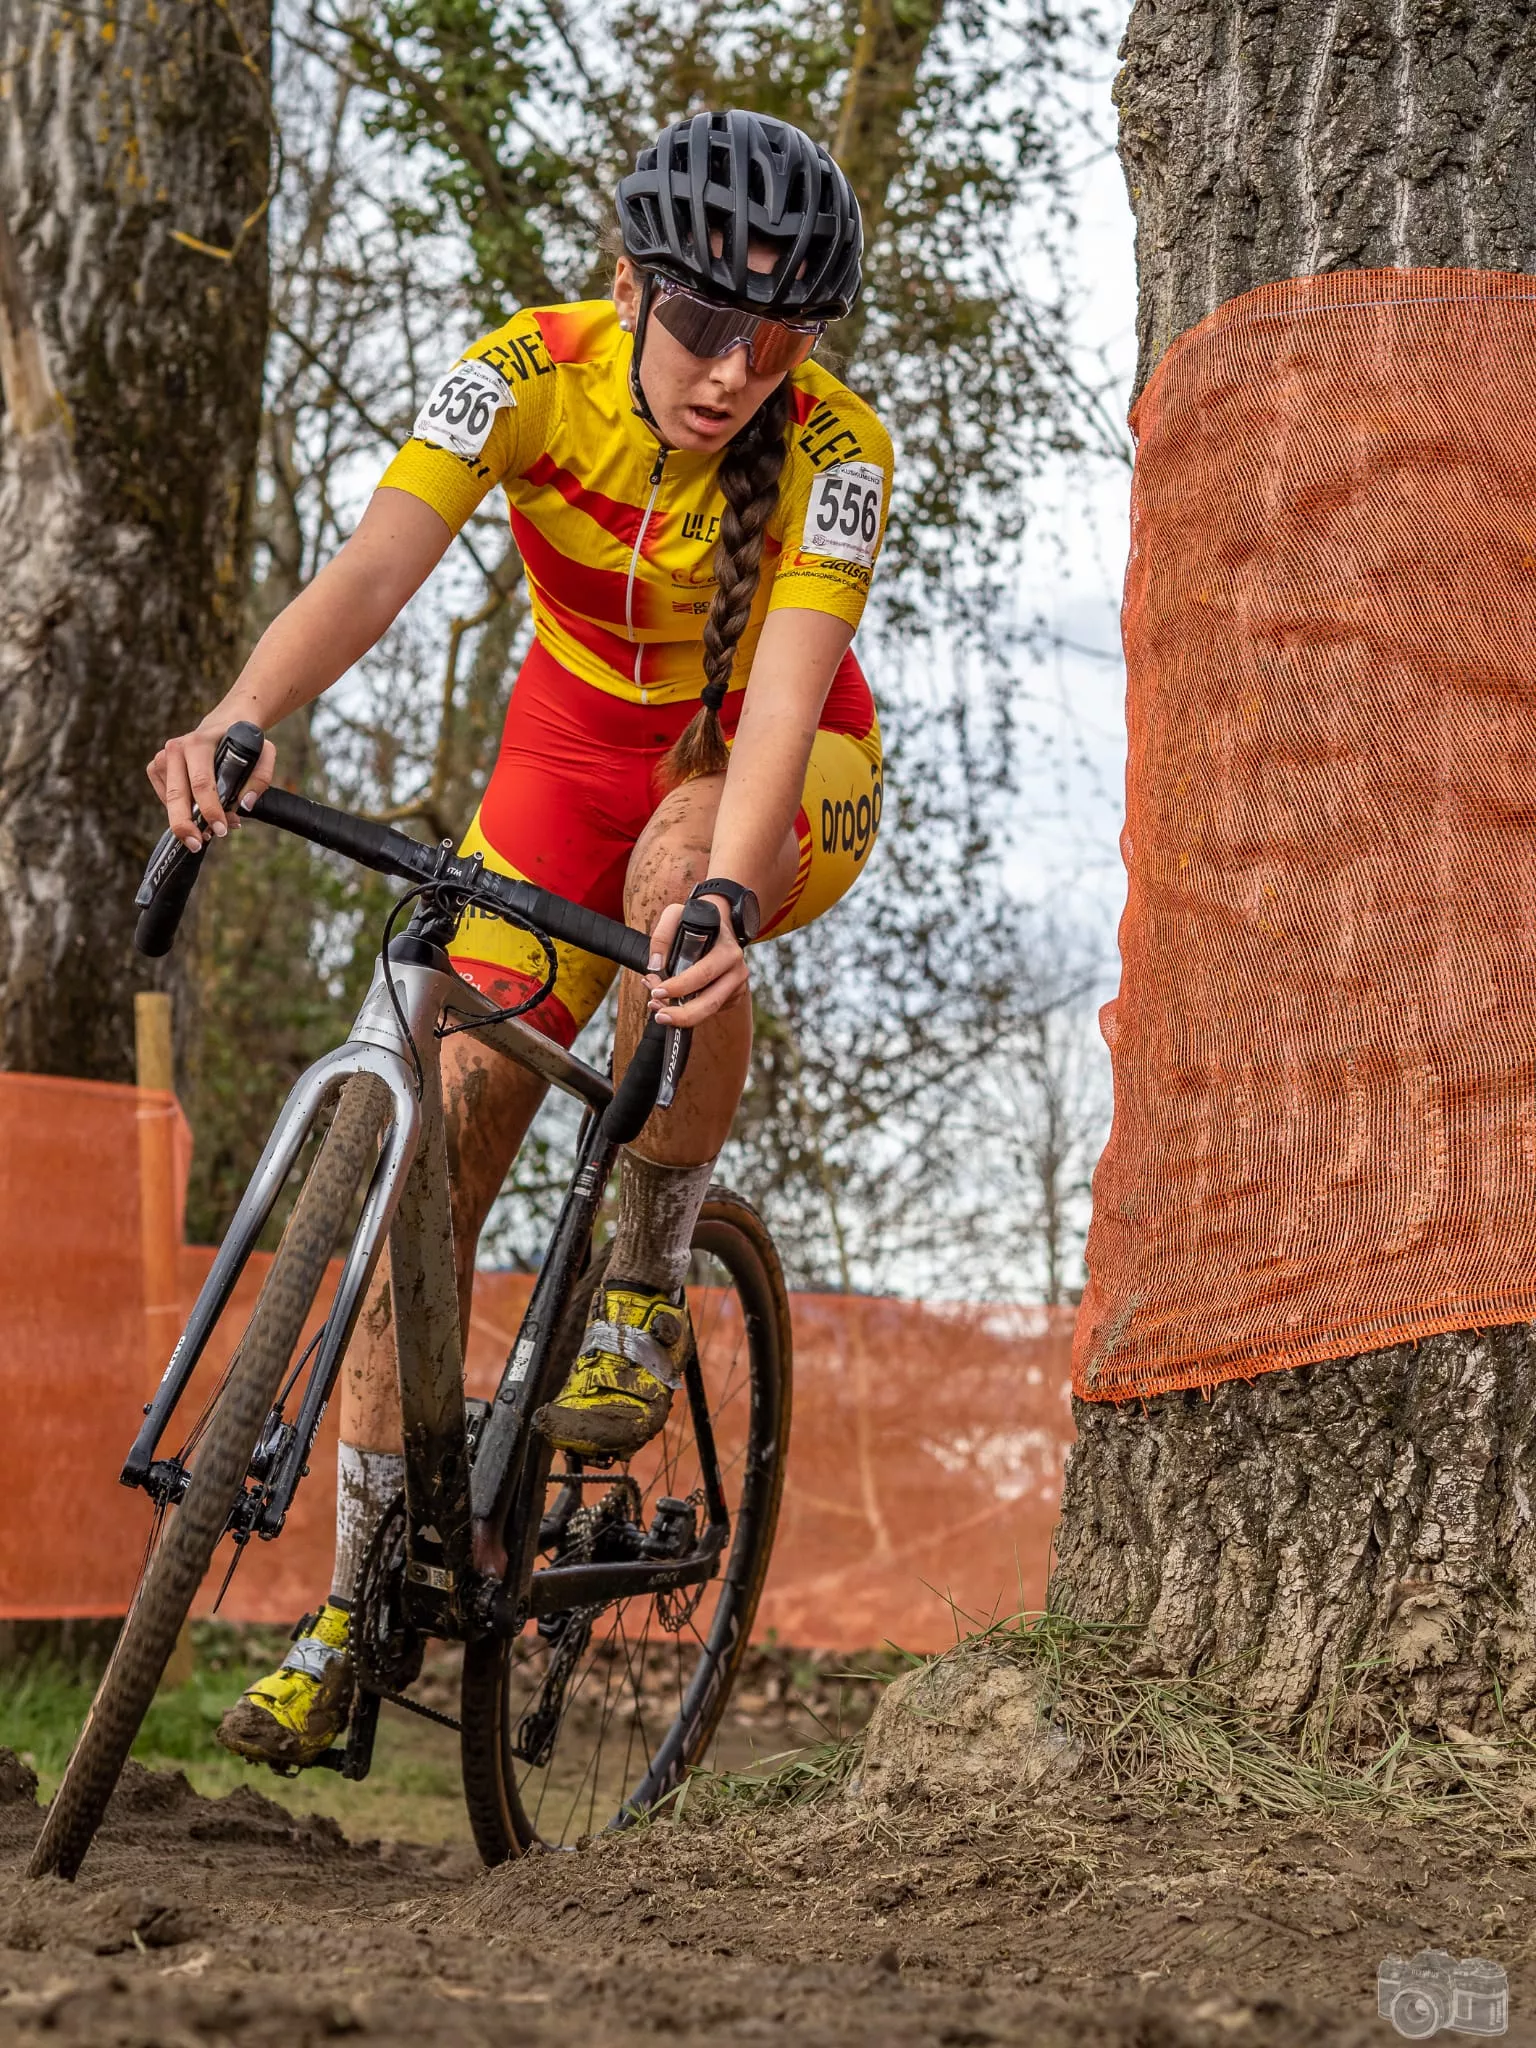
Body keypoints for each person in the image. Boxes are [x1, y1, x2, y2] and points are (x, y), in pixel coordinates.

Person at [148, 109, 892, 1768]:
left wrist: (726, 891)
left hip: (767, 764)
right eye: (705, 320)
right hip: (563, 759)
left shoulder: (840, 454)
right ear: (629, 286)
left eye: (779, 340)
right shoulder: (523, 371)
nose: (736, 370)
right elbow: (374, 570)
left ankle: (647, 1280)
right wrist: (243, 714)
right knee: (439, 1147)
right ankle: (352, 1611)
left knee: (684, 875)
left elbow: (782, 704)